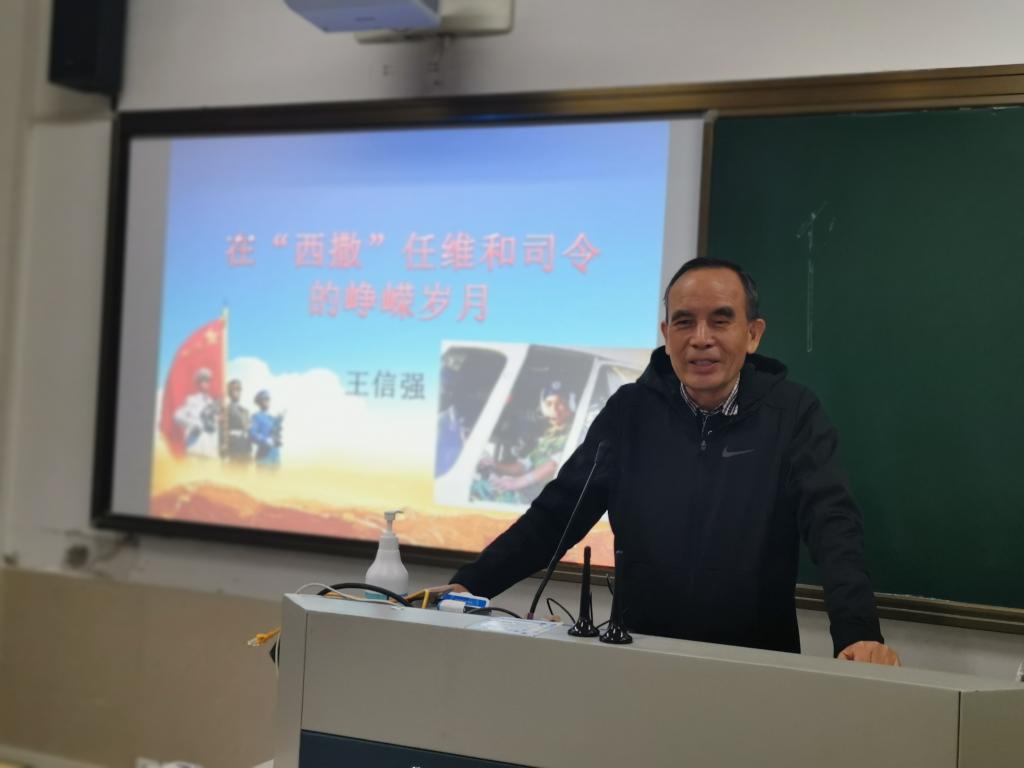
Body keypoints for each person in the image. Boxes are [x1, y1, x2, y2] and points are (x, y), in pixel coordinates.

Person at [427, 258, 900, 666]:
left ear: (753, 334)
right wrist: (469, 586)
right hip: (638, 657)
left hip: (756, 664)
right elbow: (556, 515)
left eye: (720, 321)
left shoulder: (792, 413)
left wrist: (858, 632)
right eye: (684, 322)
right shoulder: (629, 412)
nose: (701, 339)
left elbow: (833, 525)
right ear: (665, 334)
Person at [471, 381, 575, 504]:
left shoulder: (576, 433)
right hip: (529, 492)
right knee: (478, 486)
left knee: (479, 491)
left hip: (545, 500)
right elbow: (522, 466)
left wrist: (516, 483)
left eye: (561, 403)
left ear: (571, 405)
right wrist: (494, 464)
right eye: (549, 403)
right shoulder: (548, 437)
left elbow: (554, 465)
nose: (554, 409)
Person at [173, 368, 220, 459]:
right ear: (198, 383)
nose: (206, 383)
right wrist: (193, 424)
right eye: (203, 380)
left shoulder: (212, 403)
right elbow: (177, 416)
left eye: (208, 381)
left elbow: (214, 426)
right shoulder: (191, 400)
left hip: (209, 448)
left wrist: (216, 421)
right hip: (194, 446)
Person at [250, 390, 283, 467]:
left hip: (275, 456)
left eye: (268, 399)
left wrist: (278, 421)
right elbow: (252, 434)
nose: (268, 401)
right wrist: (265, 440)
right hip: (264, 458)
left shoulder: (272, 418)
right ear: (259, 402)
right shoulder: (256, 417)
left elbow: (276, 433)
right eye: (265, 399)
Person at [224, 379, 252, 463]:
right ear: (229, 392)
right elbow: (222, 431)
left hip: (245, 447)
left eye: (239, 389)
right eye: (235, 389)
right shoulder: (226, 409)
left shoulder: (245, 411)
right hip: (233, 447)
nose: (238, 392)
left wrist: (249, 451)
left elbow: (248, 430)